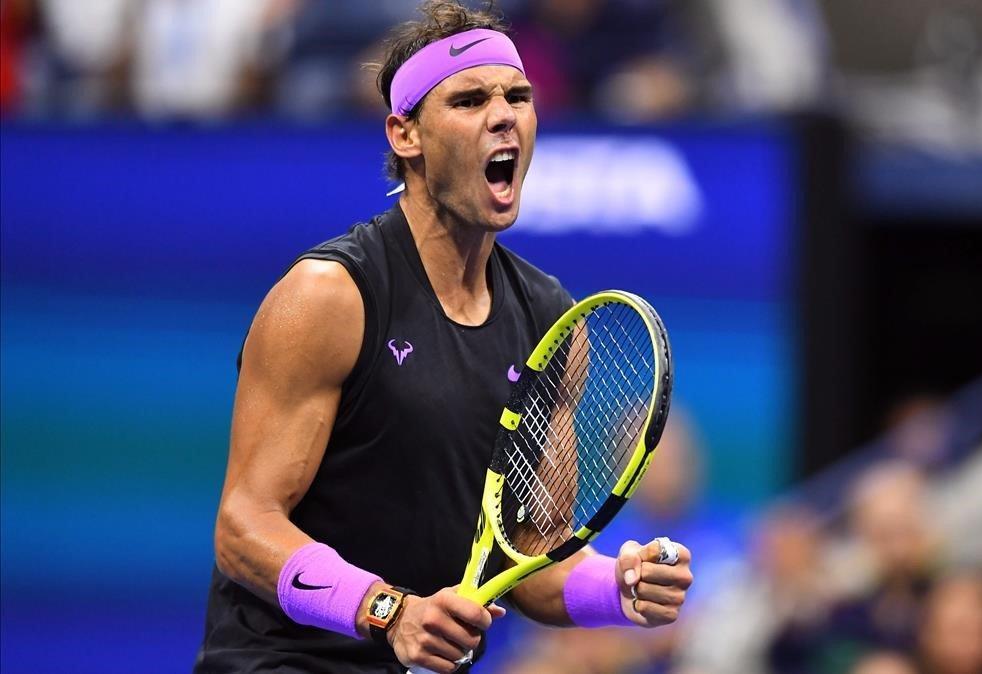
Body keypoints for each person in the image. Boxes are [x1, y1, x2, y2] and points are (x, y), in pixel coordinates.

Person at [194, 2, 693, 672]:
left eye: (518, 96)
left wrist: (618, 586)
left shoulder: (552, 322)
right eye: (468, 99)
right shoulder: (329, 297)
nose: (503, 114)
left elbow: (533, 561)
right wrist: (388, 611)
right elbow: (243, 527)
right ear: (406, 135)